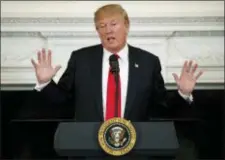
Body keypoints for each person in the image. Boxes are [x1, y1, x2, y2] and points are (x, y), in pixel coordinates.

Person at [31, 4, 203, 160]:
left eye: (113, 24)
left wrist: (183, 93)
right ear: (97, 31)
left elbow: (161, 107)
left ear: (126, 25)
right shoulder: (81, 59)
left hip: (136, 150)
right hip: (88, 151)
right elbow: (63, 101)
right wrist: (46, 83)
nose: (108, 30)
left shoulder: (148, 62)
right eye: (102, 26)